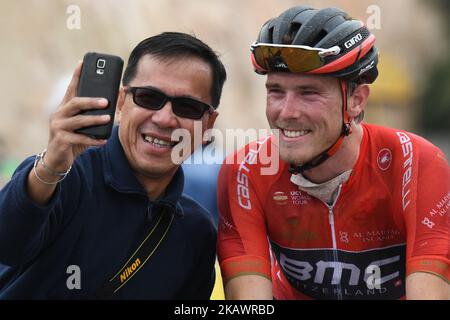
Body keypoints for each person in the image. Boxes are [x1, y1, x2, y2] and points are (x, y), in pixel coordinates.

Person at [217, 6, 449, 300]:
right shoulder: (247, 170)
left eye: (308, 93)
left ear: (356, 99)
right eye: (275, 91)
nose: (285, 112)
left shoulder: (414, 162)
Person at [0, 32, 227, 299]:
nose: (165, 119)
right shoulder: (64, 176)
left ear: (208, 125)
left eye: (187, 107)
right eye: (148, 97)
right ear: (121, 101)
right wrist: (51, 167)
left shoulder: (197, 233)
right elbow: (7, 245)